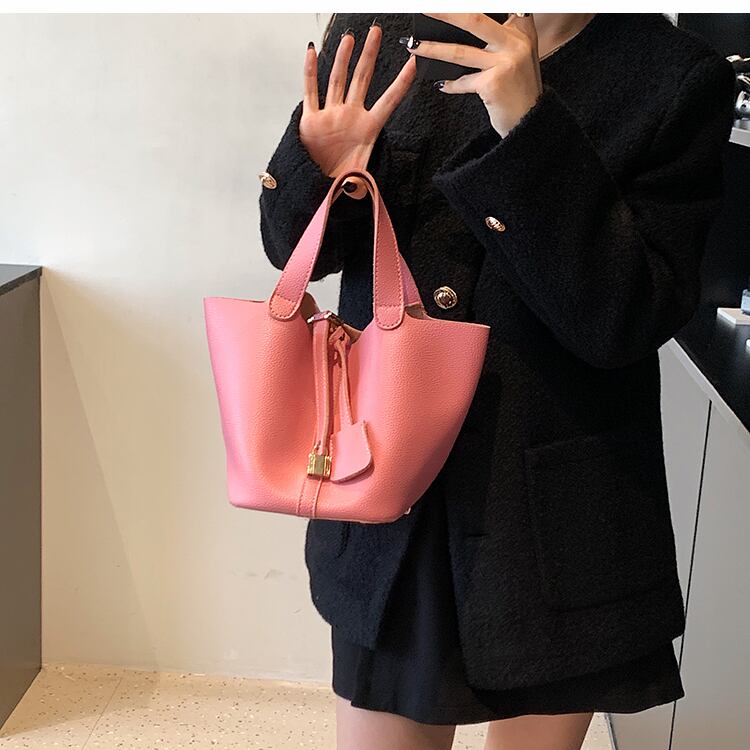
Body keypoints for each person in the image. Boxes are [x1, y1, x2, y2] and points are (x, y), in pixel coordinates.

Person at [258, 12, 736, 750]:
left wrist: (529, 129)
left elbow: (626, 320)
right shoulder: (383, 33)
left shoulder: (674, 74)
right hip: (391, 492)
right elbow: (291, 249)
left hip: (559, 515)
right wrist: (320, 168)